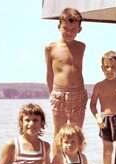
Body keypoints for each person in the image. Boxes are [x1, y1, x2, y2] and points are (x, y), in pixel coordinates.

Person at [45, 8, 88, 154]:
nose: (69, 32)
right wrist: (52, 94)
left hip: (78, 94)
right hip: (59, 94)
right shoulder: (50, 47)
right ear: (59, 27)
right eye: (65, 28)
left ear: (79, 29)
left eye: (73, 29)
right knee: (59, 133)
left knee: (77, 133)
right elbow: (49, 73)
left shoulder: (81, 46)